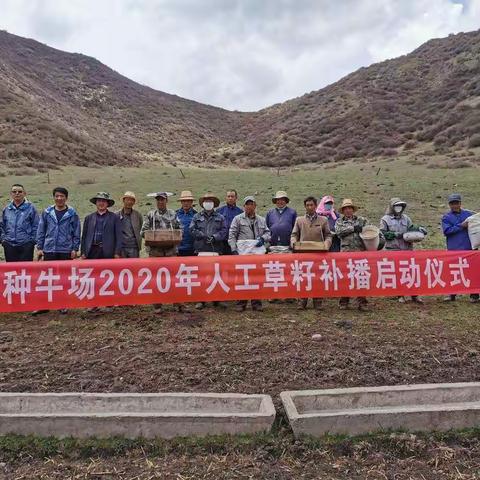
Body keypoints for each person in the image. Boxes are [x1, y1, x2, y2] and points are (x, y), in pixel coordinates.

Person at [141, 191, 184, 313]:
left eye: (162, 199)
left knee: (174, 277)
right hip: (155, 252)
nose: (160, 202)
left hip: (171, 251)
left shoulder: (173, 214)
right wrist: (153, 236)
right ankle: (157, 305)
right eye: (158, 200)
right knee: (156, 278)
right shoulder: (150, 215)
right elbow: (142, 232)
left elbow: (180, 230)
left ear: (166, 201)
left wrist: (173, 236)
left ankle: (177, 303)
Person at [380, 197, 427, 304]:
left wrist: (419, 230)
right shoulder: (385, 219)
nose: (398, 208)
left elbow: (411, 228)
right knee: (397, 272)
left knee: (411, 271)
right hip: (393, 249)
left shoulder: (406, 218)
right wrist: (394, 234)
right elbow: (382, 233)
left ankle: (414, 295)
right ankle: (399, 295)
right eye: (396, 206)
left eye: (400, 206)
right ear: (392, 207)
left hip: (407, 248)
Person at [228, 196, 271, 312]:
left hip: (257, 255)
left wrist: (263, 238)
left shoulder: (261, 220)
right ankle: (241, 303)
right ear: (244, 206)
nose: (249, 206)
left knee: (257, 277)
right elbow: (232, 235)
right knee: (242, 278)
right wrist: (234, 249)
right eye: (247, 204)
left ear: (255, 206)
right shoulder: (237, 219)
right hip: (243, 255)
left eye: (251, 204)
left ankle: (256, 303)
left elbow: (268, 233)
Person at [291, 196, 332, 310]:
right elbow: (294, 234)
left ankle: (318, 301)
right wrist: (294, 243)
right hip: (303, 253)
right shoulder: (299, 220)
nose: (309, 207)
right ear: (305, 206)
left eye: (312, 205)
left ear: (315, 206)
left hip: (319, 253)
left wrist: (327, 244)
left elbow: (328, 235)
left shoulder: (323, 220)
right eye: (307, 205)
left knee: (318, 277)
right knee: (303, 277)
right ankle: (302, 301)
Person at [190, 192, 228, 310]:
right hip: (201, 249)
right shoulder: (196, 217)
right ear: (202, 204)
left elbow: (224, 231)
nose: (208, 203)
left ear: (214, 204)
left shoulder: (220, 217)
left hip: (216, 250)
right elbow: (191, 229)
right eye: (206, 201)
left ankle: (217, 299)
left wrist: (215, 237)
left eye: (210, 201)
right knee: (201, 276)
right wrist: (201, 235)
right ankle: (201, 300)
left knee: (216, 275)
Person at [335, 199, 374, 311]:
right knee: (345, 278)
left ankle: (362, 302)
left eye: (350, 208)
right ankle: (344, 301)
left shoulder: (362, 220)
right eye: (345, 209)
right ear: (343, 211)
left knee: (361, 277)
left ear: (353, 209)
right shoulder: (339, 221)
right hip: (345, 253)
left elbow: (370, 230)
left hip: (360, 252)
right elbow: (338, 232)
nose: (348, 210)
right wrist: (353, 229)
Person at [442, 193, 479, 303]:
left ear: (460, 203)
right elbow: (447, 231)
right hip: (454, 249)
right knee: (453, 272)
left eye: (456, 203)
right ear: (449, 205)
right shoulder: (446, 217)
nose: (454, 205)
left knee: (473, 271)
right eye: (452, 203)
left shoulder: (469, 214)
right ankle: (452, 294)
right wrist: (460, 226)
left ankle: (474, 295)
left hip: (470, 248)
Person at [1, 183, 39, 262]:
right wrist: (3, 240)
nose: (17, 193)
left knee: (25, 271)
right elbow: (2, 226)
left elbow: (36, 226)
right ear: (11, 194)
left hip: (26, 244)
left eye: (20, 191)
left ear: (24, 193)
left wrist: (32, 241)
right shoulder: (7, 209)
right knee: (11, 271)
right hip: (9, 244)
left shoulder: (31, 208)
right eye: (14, 192)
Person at [80, 192, 122, 260]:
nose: (101, 203)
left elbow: (119, 237)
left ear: (107, 203)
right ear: (96, 203)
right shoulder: (88, 218)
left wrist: (117, 253)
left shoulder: (115, 217)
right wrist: (83, 252)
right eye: (99, 201)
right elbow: (84, 237)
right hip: (91, 251)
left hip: (108, 252)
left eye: (104, 201)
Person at [115, 191, 143, 258]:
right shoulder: (116, 215)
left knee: (134, 267)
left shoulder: (138, 215)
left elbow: (141, 229)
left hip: (134, 247)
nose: (129, 202)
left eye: (131, 200)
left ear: (134, 202)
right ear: (123, 200)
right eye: (127, 200)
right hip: (121, 247)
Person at [217, 189, 243, 254]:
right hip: (222, 242)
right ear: (226, 198)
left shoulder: (240, 212)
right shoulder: (219, 211)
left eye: (232, 196)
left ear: (236, 198)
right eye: (228, 196)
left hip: (236, 242)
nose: (230, 198)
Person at [176, 190, 197, 256]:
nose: (186, 203)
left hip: (192, 249)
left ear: (191, 202)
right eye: (184, 201)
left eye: (188, 201)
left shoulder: (196, 215)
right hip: (178, 249)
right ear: (181, 202)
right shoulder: (175, 214)